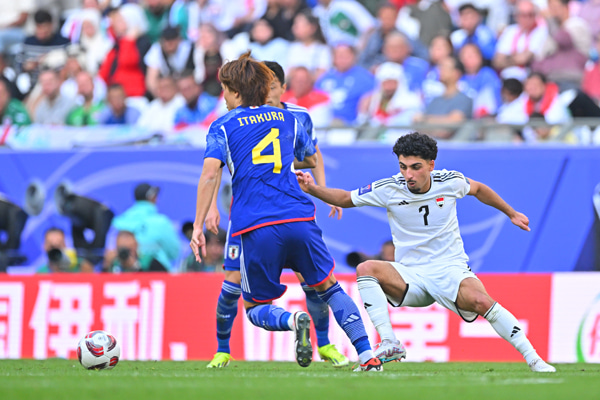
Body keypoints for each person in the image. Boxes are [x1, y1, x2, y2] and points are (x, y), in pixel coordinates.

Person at [295, 131, 557, 373]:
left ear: (431, 165)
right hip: (410, 275)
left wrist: (511, 213)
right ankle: (389, 342)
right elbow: (345, 198)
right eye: (403, 166)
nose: (408, 174)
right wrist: (312, 189)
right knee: (366, 268)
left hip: (450, 269)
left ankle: (534, 359)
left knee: (482, 302)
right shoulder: (390, 188)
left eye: (415, 167)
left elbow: (479, 189)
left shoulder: (450, 181)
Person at [190, 52, 382, 372]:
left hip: (257, 224)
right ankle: (367, 355)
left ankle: (293, 321)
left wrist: (198, 225)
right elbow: (310, 158)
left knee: (254, 307)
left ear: (236, 91)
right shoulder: (287, 118)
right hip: (299, 217)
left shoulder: (223, 125)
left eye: (224, 90)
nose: (222, 97)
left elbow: (210, 174)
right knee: (329, 286)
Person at [111, 182, 180, 272]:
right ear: (152, 198)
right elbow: (174, 253)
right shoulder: (160, 222)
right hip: (158, 274)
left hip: (123, 272)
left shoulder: (121, 220)